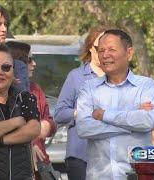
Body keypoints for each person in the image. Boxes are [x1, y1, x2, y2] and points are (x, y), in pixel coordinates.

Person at [76, 29, 154, 180]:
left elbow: (148, 121)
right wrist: (132, 121)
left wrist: (104, 115)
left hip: (137, 175)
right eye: (101, 50)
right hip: (99, 176)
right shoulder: (88, 88)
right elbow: (83, 128)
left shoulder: (146, 86)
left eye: (111, 49)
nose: (105, 55)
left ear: (129, 53)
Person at [0, 44, 40, 180]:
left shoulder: (25, 97)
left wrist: (0, 139)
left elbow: (33, 129)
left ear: (13, 72)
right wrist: (17, 121)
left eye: (6, 67)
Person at [54, 26, 106, 180]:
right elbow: (60, 113)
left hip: (111, 156)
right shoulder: (76, 77)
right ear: (90, 48)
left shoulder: (118, 77)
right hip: (81, 156)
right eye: (99, 48)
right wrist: (80, 112)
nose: (104, 52)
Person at [6, 41, 57, 179]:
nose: (34, 64)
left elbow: (50, 122)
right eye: (29, 60)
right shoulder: (4, 93)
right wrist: (30, 142)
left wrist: (48, 126)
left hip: (40, 166)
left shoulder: (36, 89)